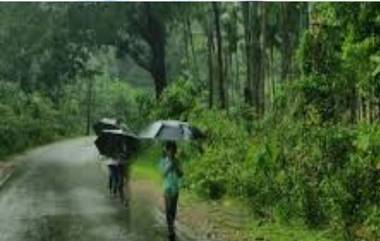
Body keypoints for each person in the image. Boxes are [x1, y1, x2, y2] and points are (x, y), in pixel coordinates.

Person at [159, 141, 183, 241]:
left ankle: (171, 225)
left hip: (175, 188)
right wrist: (170, 166)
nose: (171, 152)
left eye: (173, 150)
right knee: (168, 209)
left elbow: (181, 174)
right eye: (170, 150)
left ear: (175, 151)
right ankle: (170, 229)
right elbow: (162, 174)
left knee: (173, 209)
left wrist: (176, 167)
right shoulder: (163, 161)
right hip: (167, 188)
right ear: (167, 151)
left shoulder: (177, 161)